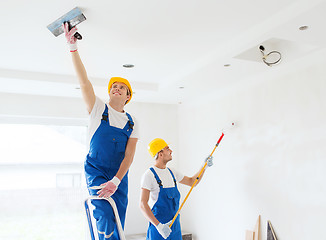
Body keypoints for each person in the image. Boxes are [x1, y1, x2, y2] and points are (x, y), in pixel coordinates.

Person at [63, 23, 139, 240]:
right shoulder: (98, 109)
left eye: (121, 87)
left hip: (120, 176)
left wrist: (116, 180)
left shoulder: (133, 122)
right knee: (104, 215)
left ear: (127, 96)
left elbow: (129, 155)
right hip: (96, 170)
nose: (116, 88)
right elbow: (84, 82)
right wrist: (73, 47)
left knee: (118, 220)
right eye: (113, 86)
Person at [140, 138, 212, 240]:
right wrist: (159, 226)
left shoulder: (172, 172)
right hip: (158, 228)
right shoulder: (149, 175)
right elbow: (143, 204)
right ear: (160, 154)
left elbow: (192, 182)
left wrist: (204, 167)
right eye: (167, 149)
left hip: (175, 227)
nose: (171, 151)